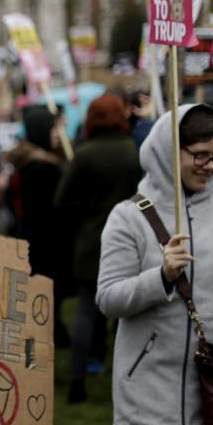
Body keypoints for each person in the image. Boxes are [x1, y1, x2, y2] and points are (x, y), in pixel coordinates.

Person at [98, 104, 213, 425]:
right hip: (151, 394)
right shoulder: (127, 217)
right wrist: (160, 278)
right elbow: (108, 298)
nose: (209, 166)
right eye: (199, 155)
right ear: (168, 150)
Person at [54, 93, 141, 403]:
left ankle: (78, 380)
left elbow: (62, 200)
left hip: (92, 243)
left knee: (87, 311)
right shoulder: (134, 152)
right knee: (127, 315)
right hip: (130, 242)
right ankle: (127, 380)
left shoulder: (84, 154)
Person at [7, 105, 70, 347]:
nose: (56, 133)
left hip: (32, 236)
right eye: (52, 127)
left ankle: (52, 332)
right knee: (47, 288)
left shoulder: (30, 162)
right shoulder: (42, 168)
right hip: (45, 238)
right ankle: (48, 336)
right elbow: (51, 208)